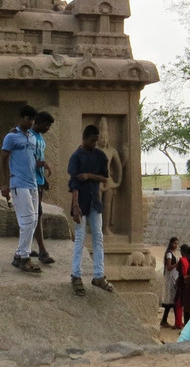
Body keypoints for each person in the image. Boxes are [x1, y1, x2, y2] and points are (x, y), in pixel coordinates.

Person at [68, 123, 114, 295]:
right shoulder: (76, 157)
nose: (95, 144)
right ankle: (76, 274)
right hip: (81, 201)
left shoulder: (100, 156)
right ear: (84, 138)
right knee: (80, 237)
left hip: (95, 201)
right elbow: (73, 184)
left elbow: (105, 178)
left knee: (98, 237)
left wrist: (89, 176)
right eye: (92, 140)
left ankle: (98, 275)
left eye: (96, 141)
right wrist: (75, 205)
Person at [1, 105, 42, 273]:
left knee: (33, 220)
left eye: (33, 120)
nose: (31, 122)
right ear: (21, 118)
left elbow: (31, 159)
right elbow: (3, 159)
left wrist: (42, 168)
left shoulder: (32, 137)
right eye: (28, 119)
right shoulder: (11, 137)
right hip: (18, 183)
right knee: (27, 221)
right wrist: (5, 183)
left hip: (32, 183)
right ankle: (24, 257)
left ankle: (20, 254)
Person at [30, 110, 56, 264]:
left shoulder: (40, 139)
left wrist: (43, 178)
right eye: (47, 125)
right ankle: (42, 251)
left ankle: (26, 247)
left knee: (35, 214)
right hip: (29, 181)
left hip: (38, 180)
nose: (48, 129)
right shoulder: (30, 138)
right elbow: (28, 160)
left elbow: (38, 159)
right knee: (36, 214)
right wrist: (44, 164)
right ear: (38, 122)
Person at [160, 236, 180, 328]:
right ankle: (167, 320)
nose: (176, 245)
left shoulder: (173, 253)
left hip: (173, 278)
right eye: (174, 243)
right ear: (171, 243)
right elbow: (169, 267)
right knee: (172, 301)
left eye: (177, 243)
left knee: (172, 301)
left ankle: (174, 321)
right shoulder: (169, 254)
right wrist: (177, 264)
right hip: (170, 279)